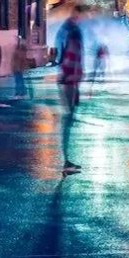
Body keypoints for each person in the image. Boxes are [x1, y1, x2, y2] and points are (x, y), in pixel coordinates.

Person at [55, 14, 85, 172]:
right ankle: (66, 162)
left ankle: (67, 161)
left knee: (68, 120)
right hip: (69, 85)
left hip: (70, 84)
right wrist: (73, 78)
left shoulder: (72, 45)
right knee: (67, 122)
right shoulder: (74, 46)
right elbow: (69, 65)